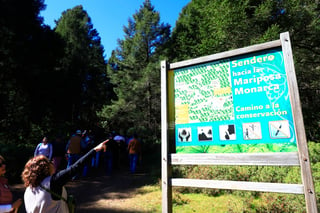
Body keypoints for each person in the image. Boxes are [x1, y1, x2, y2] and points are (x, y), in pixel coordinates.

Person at [21, 139, 109, 213]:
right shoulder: (53, 182)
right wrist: (95, 150)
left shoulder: (28, 190)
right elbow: (76, 167)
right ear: (46, 167)